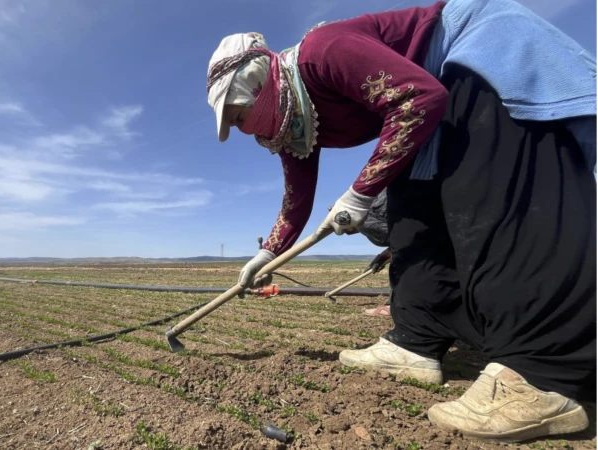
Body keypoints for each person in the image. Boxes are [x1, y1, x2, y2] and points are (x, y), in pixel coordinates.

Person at [206, 0, 595, 442]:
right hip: (432, 104)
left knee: (486, 197)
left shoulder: (321, 51)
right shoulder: (297, 124)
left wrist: (359, 192)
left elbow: (419, 97)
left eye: (239, 116)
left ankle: (542, 376)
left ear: (257, 84)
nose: (245, 131)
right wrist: (267, 253)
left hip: (472, 57)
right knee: (411, 213)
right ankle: (415, 340)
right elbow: (297, 200)